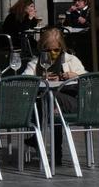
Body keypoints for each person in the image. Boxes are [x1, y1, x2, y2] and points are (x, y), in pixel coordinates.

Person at [24, 27, 87, 166]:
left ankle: (37, 138)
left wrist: (75, 75)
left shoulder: (71, 60)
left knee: (51, 98)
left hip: (71, 102)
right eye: (48, 50)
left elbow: (88, 80)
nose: (52, 54)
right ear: (42, 48)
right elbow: (24, 79)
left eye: (56, 50)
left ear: (61, 48)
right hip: (46, 106)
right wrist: (40, 77)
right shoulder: (36, 62)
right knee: (50, 105)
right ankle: (55, 155)